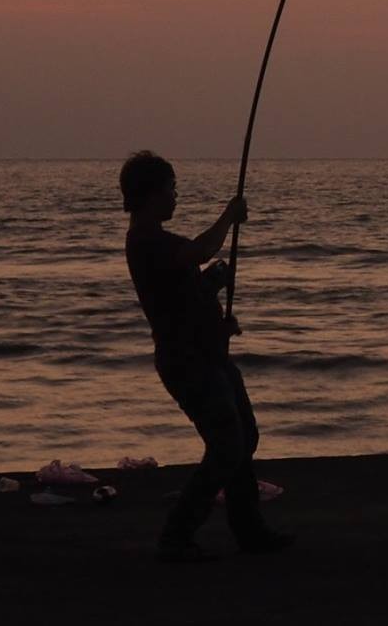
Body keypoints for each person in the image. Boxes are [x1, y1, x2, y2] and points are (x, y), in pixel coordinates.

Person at [120, 150, 290, 562]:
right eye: (171, 188)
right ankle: (177, 534)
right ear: (150, 194)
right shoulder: (146, 241)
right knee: (227, 445)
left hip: (208, 354)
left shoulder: (159, 242)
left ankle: (249, 530)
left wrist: (214, 287)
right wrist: (229, 216)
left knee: (243, 437)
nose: (175, 196)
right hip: (187, 362)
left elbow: (184, 293)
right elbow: (199, 251)